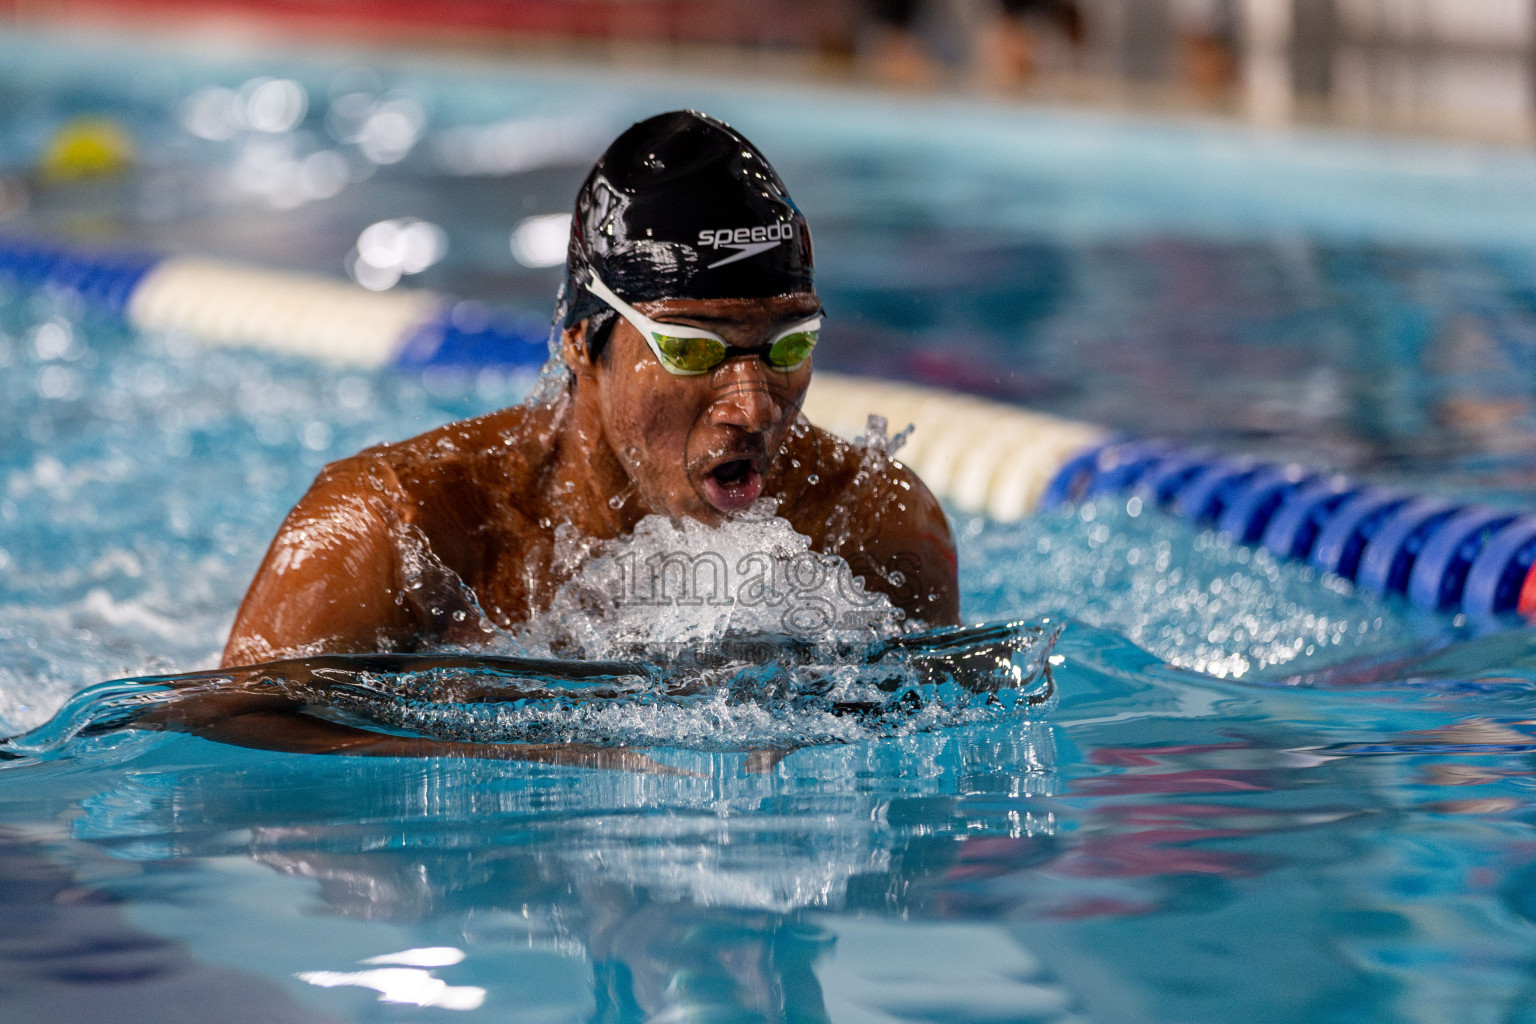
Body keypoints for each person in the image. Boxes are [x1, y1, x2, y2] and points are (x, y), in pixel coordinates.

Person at [143, 111, 960, 758]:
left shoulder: (869, 524)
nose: (753, 405)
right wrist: (548, 759)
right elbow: (227, 725)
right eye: (690, 348)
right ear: (581, 342)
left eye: (788, 344)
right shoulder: (401, 524)